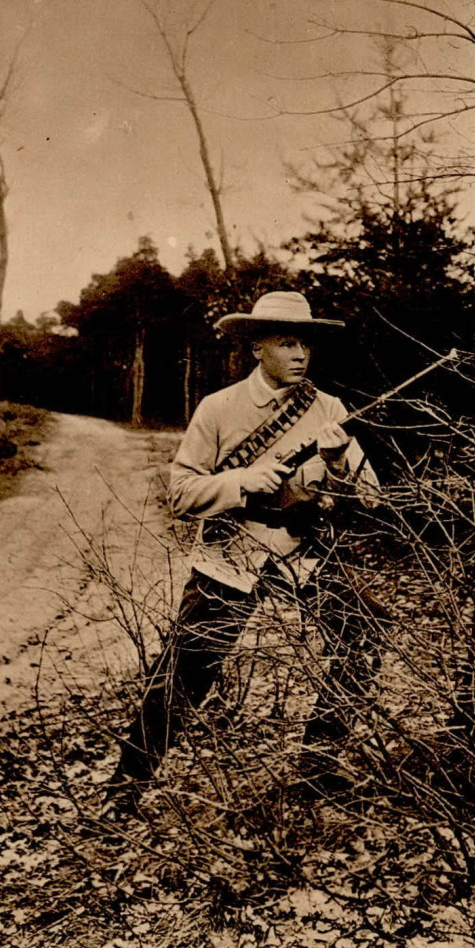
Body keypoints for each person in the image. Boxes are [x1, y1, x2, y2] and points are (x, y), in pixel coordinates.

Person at [105, 290, 377, 815]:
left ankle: (317, 768)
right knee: (185, 671)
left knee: (362, 636)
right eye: (287, 342)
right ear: (257, 347)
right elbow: (181, 493)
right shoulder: (220, 407)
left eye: (307, 344)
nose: (301, 354)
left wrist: (340, 461)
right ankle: (126, 787)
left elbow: (369, 495)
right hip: (234, 551)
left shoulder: (330, 409)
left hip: (304, 548)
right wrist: (243, 481)